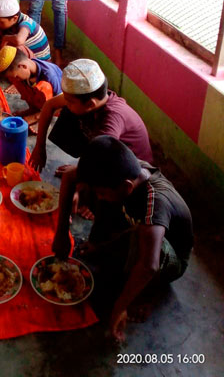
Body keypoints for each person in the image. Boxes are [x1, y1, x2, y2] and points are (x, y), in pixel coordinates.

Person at [52, 136, 193, 343]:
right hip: (134, 225)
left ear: (127, 187)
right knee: (96, 192)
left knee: (145, 242)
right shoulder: (124, 173)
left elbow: (149, 265)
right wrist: (62, 233)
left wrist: (119, 307)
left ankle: (148, 294)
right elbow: (69, 177)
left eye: (102, 193)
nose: (98, 197)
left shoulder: (155, 203)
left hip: (170, 259)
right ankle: (103, 245)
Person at [29, 58, 152, 173]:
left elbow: (102, 161)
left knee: (87, 175)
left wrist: (77, 172)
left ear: (90, 104)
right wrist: (40, 147)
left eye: (70, 101)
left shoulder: (111, 121)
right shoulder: (94, 98)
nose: (66, 103)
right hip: (106, 151)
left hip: (131, 169)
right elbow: (49, 105)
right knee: (69, 112)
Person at [0, 45, 63, 132]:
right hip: (38, 98)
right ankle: (33, 109)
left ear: (23, 66)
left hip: (57, 105)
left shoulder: (50, 75)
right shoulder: (26, 65)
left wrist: (34, 117)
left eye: (17, 76)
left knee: (44, 86)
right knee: (16, 79)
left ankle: (41, 117)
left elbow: (63, 103)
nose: (16, 79)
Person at [0, 0, 51, 76]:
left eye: (1, 22)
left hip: (39, 64)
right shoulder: (4, 18)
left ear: (15, 18)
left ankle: (14, 73)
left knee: (14, 45)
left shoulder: (26, 23)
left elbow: (19, 40)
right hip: (24, 56)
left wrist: (6, 38)